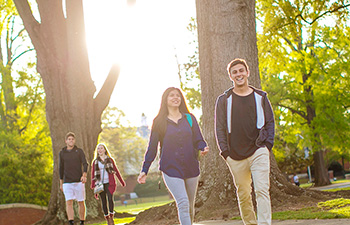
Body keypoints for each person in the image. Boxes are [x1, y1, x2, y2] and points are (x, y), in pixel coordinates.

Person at [215, 58, 275, 225]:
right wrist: (225, 153)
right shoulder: (224, 100)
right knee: (243, 194)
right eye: (234, 72)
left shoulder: (260, 97)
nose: (238, 74)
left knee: (262, 189)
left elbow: (270, 122)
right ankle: (250, 223)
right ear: (230, 76)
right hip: (234, 155)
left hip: (258, 150)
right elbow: (219, 127)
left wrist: (267, 145)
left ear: (247, 73)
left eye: (241, 70)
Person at [137, 87, 209, 225]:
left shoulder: (190, 118)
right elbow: (152, 148)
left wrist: (203, 147)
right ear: (165, 99)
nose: (175, 97)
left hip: (191, 167)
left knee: (189, 206)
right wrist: (144, 170)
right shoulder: (159, 122)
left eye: (178, 95)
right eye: (172, 95)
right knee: (182, 202)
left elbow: (198, 139)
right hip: (170, 168)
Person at [91, 143, 126, 225]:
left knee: (110, 199)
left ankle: (111, 216)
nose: (100, 150)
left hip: (109, 183)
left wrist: (121, 181)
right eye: (98, 149)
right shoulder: (95, 162)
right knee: (103, 201)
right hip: (100, 184)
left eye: (101, 148)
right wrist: (93, 186)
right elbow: (93, 174)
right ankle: (107, 218)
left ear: (105, 150)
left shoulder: (110, 160)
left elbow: (116, 171)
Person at [59, 132, 88, 225]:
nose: (71, 141)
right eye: (69, 139)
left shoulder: (79, 151)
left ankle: (82, 222)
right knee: (69, 202)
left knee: (81, 202)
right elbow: (61, 168)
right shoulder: (62, 153)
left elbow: (85, 163)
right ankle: (71, 222)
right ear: (66, 141)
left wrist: (84, 175)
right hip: (67, 182)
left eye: (72, 139)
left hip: (79, 182)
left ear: (74, 141)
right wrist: (61, 183)